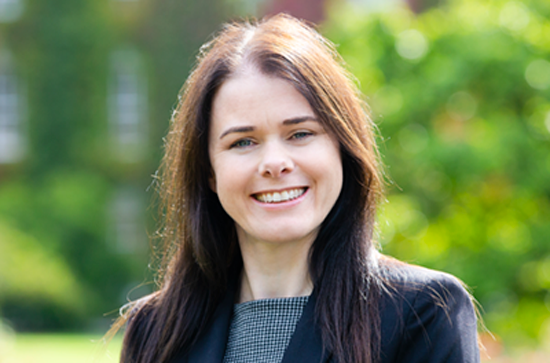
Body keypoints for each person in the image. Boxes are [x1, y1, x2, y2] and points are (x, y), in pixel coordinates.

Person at [117, 13, 480, 363]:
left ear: (343, 148)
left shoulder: (424, 313)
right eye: (243, 142)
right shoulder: (155, 331)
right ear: (209, 172)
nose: (275, 163)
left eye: (301, 134)